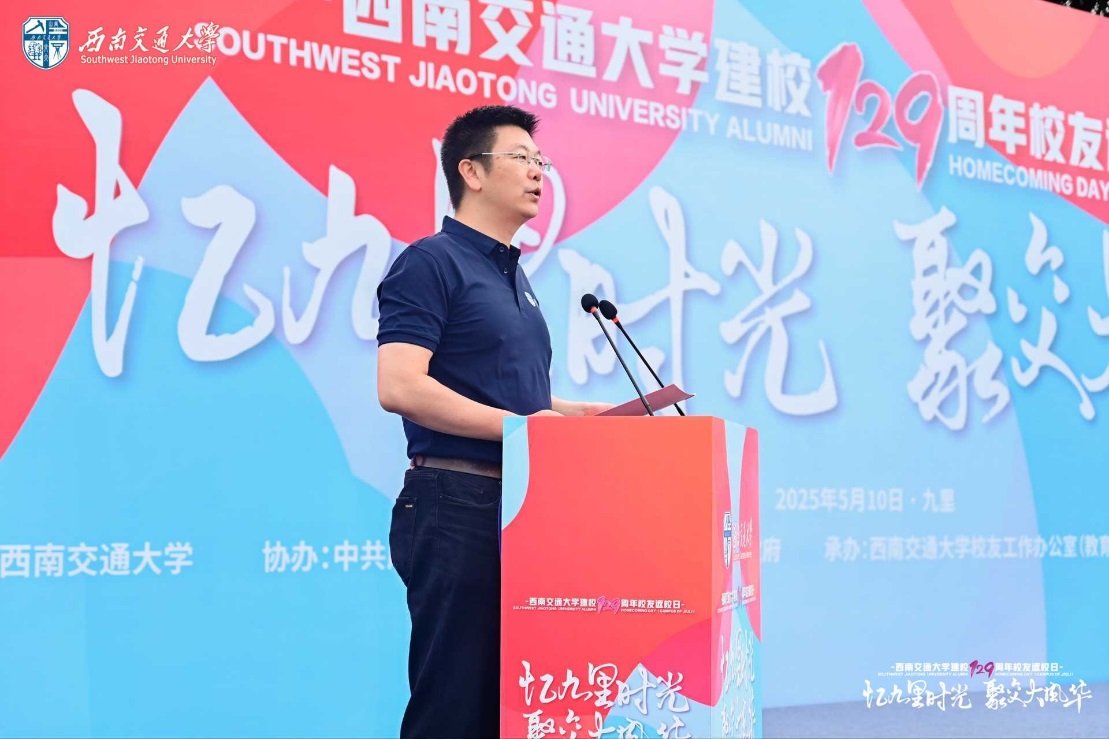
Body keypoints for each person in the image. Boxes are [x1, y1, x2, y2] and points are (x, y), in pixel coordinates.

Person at [376, 105, 611, 737]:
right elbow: (400, 385)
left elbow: (507, 393)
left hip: (521, 504)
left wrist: (578, 414)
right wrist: (524, 428)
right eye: (522, 158)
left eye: (541, 161)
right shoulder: (431, 262)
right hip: (457, 502)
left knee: (509, 707)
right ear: (471, 172)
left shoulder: (514, 276)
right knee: (455, 706)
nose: (539, 173)